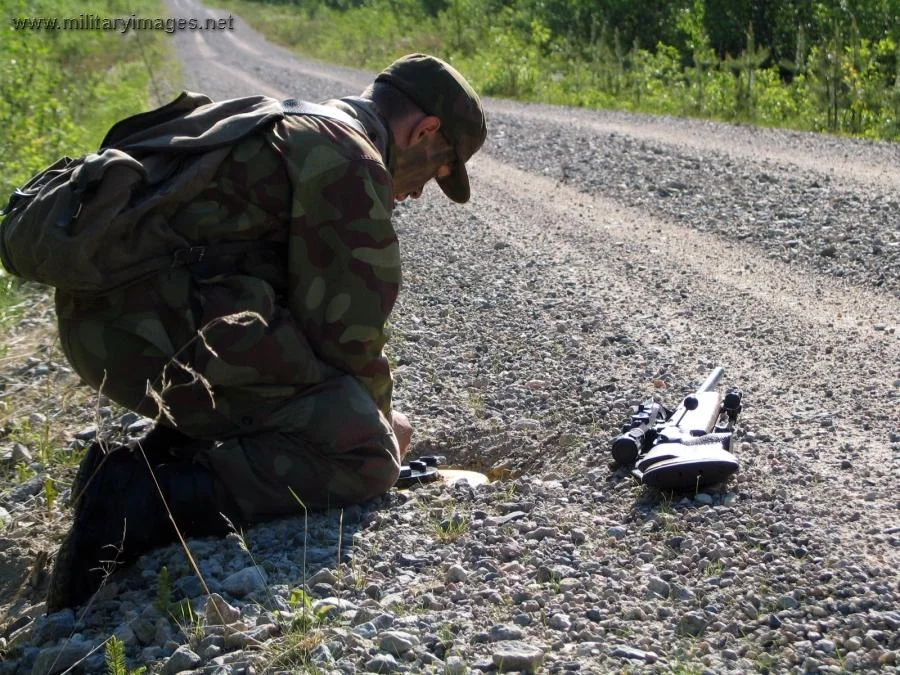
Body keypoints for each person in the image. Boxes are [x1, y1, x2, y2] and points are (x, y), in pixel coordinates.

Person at [46, 53, 487, 611]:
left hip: (104, 327)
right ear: (425, 131)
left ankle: (161, 460)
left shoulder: (292, 119)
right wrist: (381, 430)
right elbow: (348, 340)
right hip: (146, 336)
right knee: (363, 454)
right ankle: (135, 501)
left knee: (288, 368)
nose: (422, 191)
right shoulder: (350, 159)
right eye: (439, 168)